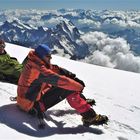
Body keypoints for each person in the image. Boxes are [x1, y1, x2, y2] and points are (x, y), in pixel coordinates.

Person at [17, 44, 108, 126]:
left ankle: (81, 101)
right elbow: (61, 81)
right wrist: (79, 86)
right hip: (32, 106)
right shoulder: (37, 69)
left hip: (28, 100)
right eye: (48, 56)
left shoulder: (34, 62)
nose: (50, 58)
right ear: (41, 56)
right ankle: (89, 117)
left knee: (70, 84)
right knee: (69, 87)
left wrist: (69, 75)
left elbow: (53, 69)